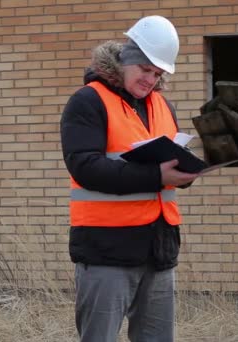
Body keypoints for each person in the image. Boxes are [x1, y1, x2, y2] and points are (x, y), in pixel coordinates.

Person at [60, 15, 201, 342]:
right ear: (126, 59)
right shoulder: (88, 101)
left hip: (159, 249)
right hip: (106, 251)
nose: (151, 79)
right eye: (145, 70)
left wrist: (187, 173)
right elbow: (85, 167)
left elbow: (170, 166)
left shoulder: (163, 106)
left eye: (158, 73)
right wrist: (156, 175)